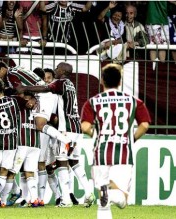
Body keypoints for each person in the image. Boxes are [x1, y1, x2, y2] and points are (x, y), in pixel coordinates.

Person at [16, 62, 95, 208]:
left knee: (62, 163)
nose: (55, 70)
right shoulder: (70, 84)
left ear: (63, 71)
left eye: (57, 68)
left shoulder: (62, 83)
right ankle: (89, 192)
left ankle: (66, 199)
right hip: (76, 128)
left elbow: (45, 88)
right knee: (74, 162)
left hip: (66, 130)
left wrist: (25, 88)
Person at [80, 63, 151, 219]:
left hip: (100, 153)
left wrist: (96, 135)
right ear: (120, 81)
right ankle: (110, 195)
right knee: (123, 199)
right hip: (123, 154)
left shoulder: (93, 102)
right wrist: (131, 138)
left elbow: (85, 127)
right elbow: (144, 125)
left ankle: (106, 192)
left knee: (102, 197)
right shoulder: (133, 101)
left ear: (102, 81)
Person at [0, 77, 33, 207]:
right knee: (4, 171)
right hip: (11, 139)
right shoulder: (14, 100)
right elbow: (29, 104)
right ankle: (2, 200)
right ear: (3, 87)